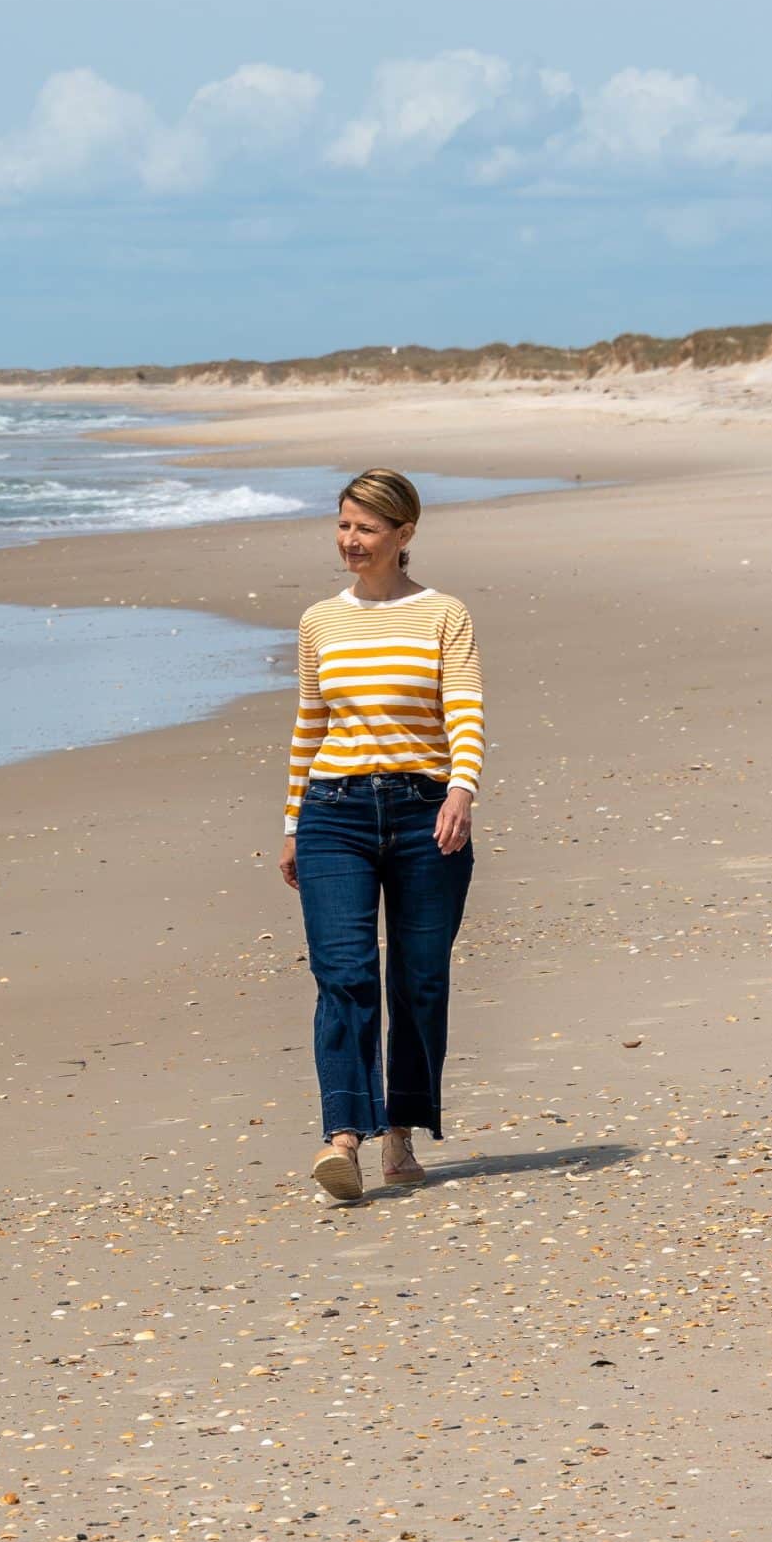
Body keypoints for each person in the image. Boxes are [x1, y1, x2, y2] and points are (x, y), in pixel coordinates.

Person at [277, 468, 483, 1202]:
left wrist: (461, 789)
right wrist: (293, 823)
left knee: (419, 980)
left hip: (426, 812)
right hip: (333, 811)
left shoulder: (443, 615)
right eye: (343, 525)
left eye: (366, 528)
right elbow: (310, 725)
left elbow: (464, 708)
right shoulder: (319, 622)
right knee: (344, 974)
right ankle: (343, 1140)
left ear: (404, 534)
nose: (351, 540)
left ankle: (400, 1129)